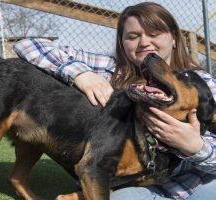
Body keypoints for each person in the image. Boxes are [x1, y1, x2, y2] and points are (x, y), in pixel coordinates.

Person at [13, 2, 216, 200]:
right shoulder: (108, 70)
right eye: (133, 36)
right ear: (122, 42)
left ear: (173, 38)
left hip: (193, 184)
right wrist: (80, 74)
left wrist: (196, 147)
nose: (144, 42)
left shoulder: (202, 85)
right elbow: (27, 44)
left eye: (154, 34)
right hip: (129, 187)